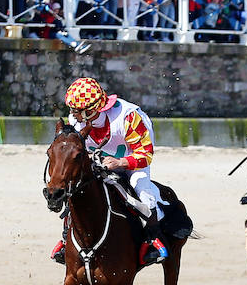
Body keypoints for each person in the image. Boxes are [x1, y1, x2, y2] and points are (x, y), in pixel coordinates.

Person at [53, 77, 167, 266]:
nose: (72, 114)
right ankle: (66, 241)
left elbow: (146, 154)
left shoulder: (129, 117)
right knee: (74, 190)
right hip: (97, 160)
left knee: (143, 191)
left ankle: (153, 241)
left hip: (132, 161)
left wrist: (119, 162)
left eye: (76, 110)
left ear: (90, 111)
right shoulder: (75, 120)